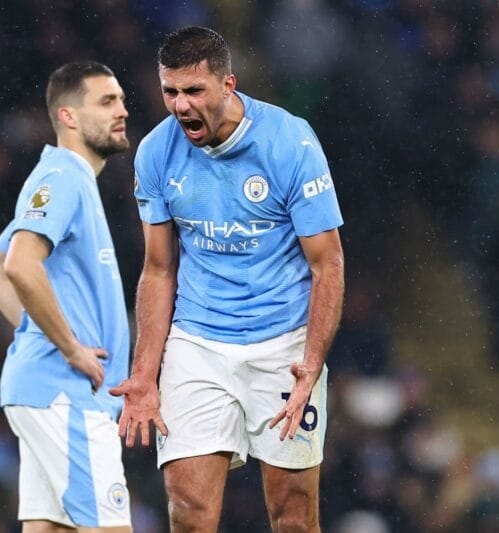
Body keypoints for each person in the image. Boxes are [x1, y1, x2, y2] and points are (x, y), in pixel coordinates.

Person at [109, 27, 345, 532]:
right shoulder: (155, 153)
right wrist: (145, 373)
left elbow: (328, 263)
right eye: (170, 91)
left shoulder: (289, 142)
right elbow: (158, 269)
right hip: (198, 345)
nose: (180, 105)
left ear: (228, 85)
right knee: (188, 509)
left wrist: (311, 360)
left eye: (193, 91)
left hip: (283, 346)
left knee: (293, 515)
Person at [0, 61, 132, 533]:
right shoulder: (63, 177)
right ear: (67, 116)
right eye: (107, 101)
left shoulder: (66, 179)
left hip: (48, 393)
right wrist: (65, 346)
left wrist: (40, 333)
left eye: (122, 100)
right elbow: (18, 266)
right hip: (66, 395)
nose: (122, 111)